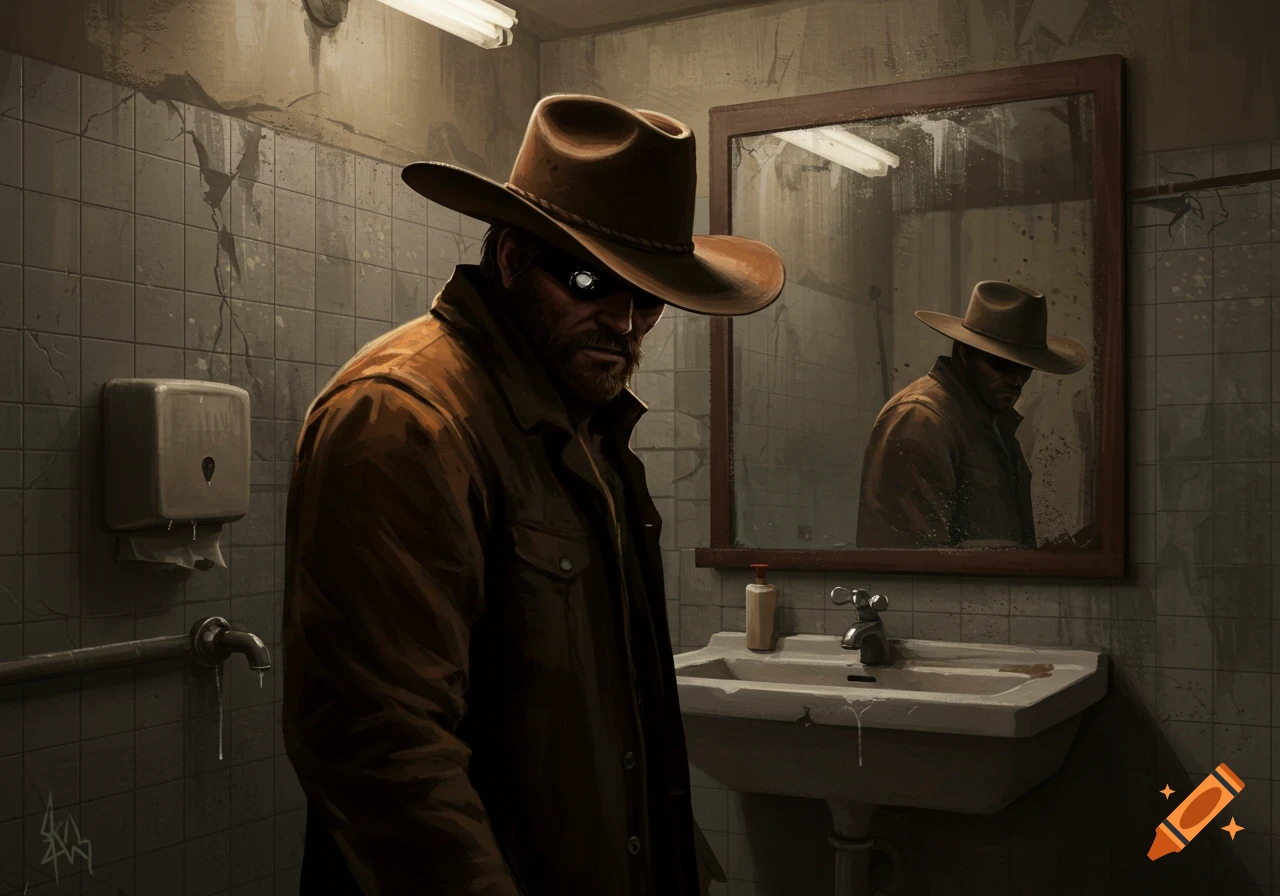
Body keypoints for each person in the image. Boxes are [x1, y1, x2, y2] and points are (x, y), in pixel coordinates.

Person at [281, 94, 785, 895]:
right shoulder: (406, 419)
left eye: (647, 296)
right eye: (590, 279)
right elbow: (385, 754)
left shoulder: (583, 425)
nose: (623, 321)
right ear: (513, 260)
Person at [856, 280, 1087, 550]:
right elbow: (909, 562)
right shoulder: (921, 420)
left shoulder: (991, 424)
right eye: (1001, 364)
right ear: (964, 354)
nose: (1015, 380)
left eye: (1025, 367)